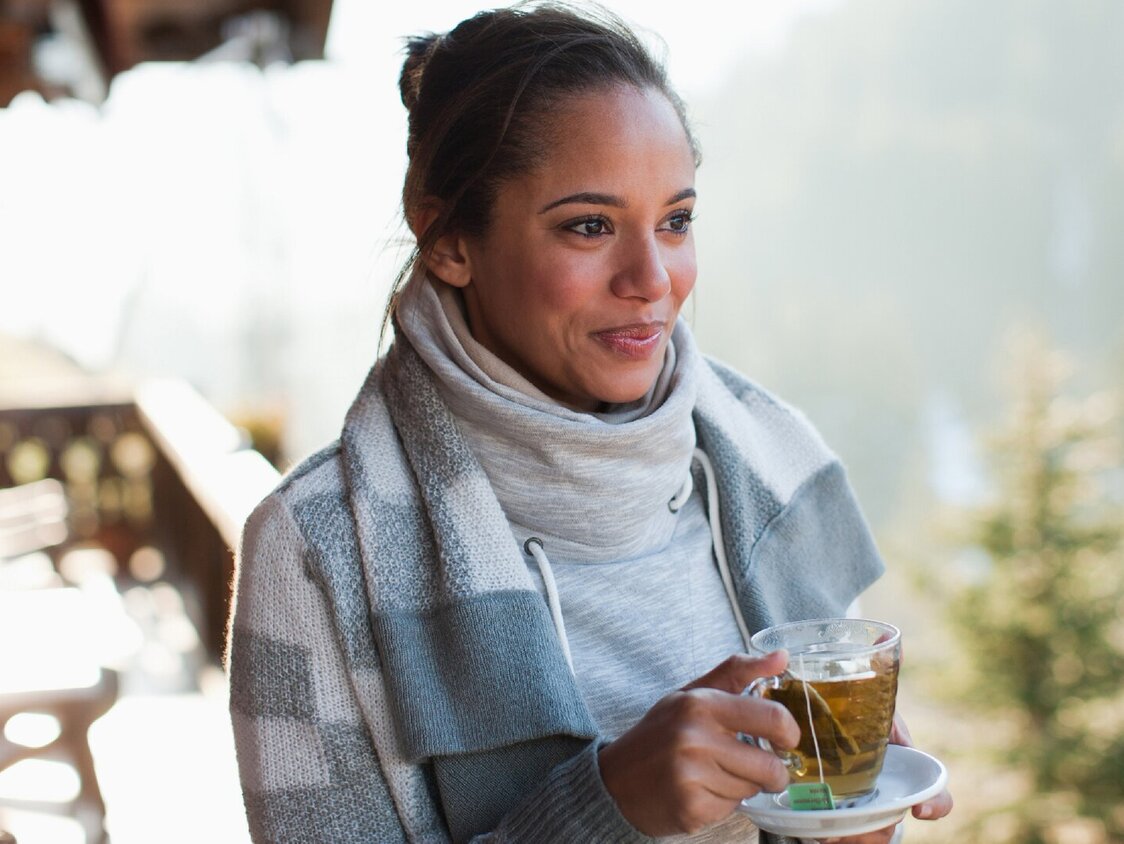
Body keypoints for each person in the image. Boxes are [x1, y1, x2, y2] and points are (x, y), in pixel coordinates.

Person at [227, 3, 953, 843]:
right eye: (589, 226)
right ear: (447, 238)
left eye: (676, 221)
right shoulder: (315, 552)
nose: (652, 279)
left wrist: (848, 826)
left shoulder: (774, 462)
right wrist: (606, 805)